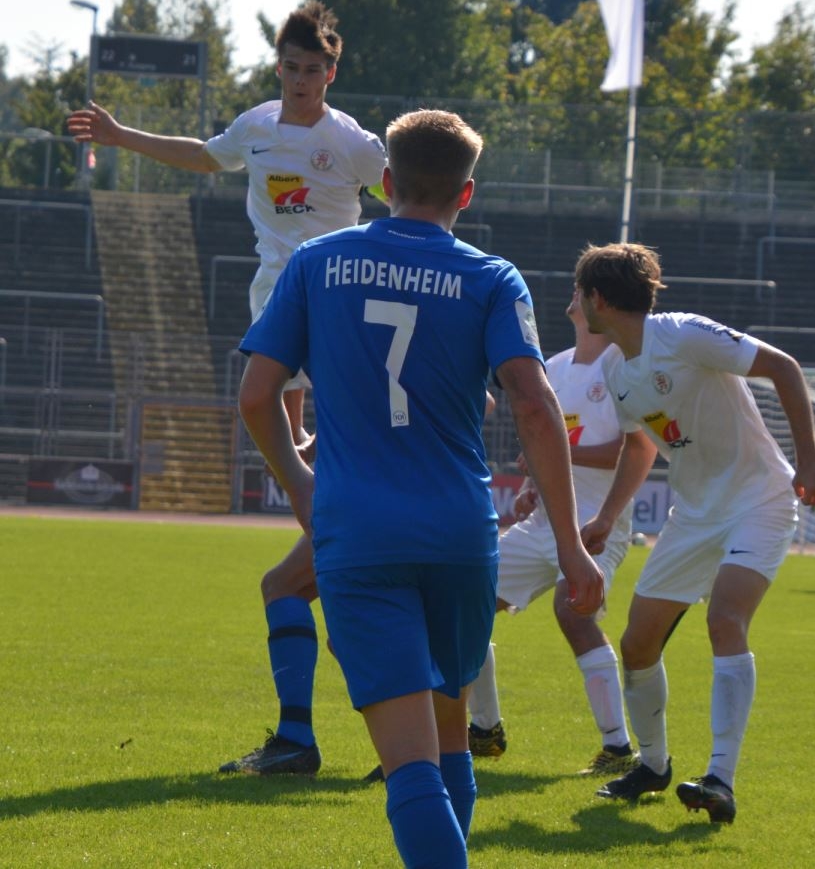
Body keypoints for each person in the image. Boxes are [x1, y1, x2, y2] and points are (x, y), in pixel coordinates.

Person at [238, 108, 604, 867]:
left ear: (385, 182)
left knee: (409, 764)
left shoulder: (315, 261)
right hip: (459, 531)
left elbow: (256, 395)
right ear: (465, 194)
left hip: (360, 531)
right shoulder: (491, 277)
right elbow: (534, 406)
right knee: (448, 740)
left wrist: (301, 484)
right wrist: (570, 546)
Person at [68, 2, 389, 775]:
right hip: (277, 294)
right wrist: (121, 135)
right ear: (278, 67)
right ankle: (320, 504)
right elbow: (206, 155)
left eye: (313, 70)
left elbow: (408, 197)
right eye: (291, 68)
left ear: (331, 73)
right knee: (278, 419)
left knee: (310, 459)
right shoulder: (257, 127)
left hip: (338, 298)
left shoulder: (351, 142)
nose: (301, 80)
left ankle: (328, 518)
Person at [575, 242, 815, 825]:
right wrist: (608, 516)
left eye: (580, 293)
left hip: (759, 498)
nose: (577, 303)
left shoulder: (683, 333)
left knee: (725, 619)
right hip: (693, 514)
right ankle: (653, 765)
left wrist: (809, 462)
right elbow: (640, 446)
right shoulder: (615, 368)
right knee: (638, 644)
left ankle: (720, 779)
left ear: (598, 299)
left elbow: (783, 368)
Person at [465, 288, 657, 775]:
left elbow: (636, 450)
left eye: (579, 286)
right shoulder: (553, 365)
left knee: (572, 613)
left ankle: (618, 748)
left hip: (596, 524)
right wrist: (533, 483)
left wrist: (561, 463)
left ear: (597, 299)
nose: (572, 294)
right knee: (466, 603)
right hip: (543, 522)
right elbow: (546, 439)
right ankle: (484, 730)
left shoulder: (621, 367)